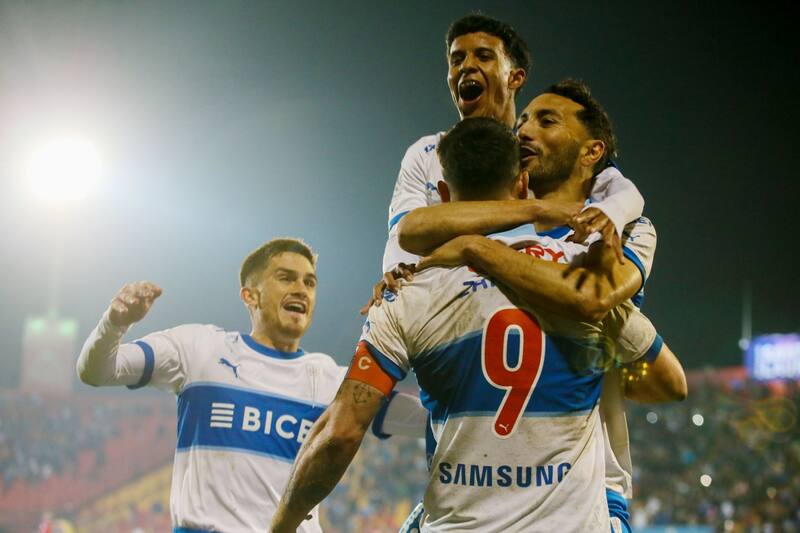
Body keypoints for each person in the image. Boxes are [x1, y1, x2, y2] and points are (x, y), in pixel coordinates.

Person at [271, 119, 666, 533]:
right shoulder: (582, 275)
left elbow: (340, 434)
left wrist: (281, 526)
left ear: (442, 196)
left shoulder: (406, 289)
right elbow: (669, 383)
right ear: (521, 186)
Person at [396, 80, 688, 532]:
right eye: (523, 121)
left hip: (584, 493)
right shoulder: (498, 219)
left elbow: (595, 297)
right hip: (470, 496)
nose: (524, 130)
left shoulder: (623, 232)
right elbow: (412, 231)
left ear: (593, 152)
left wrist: (475, 249)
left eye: (545, 121)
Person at [76, 238, 426, 533]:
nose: (300, 290)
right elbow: (98, 371)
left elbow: (425, 420)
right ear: (250, 295)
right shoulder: (199, 349)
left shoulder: (334, 381)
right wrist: (115, 322)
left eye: (309, 282)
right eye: (286, 278)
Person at [371, 14, 644, 307]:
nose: (467, 66)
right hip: (444, 300)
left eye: (484, 56)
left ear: (515, 77)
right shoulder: (426, 152)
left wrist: (613, 212)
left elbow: (619, 189)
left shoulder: (536, 153)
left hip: (534, 297)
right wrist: (398, 273)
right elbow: (406, 233)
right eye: (456, 59)